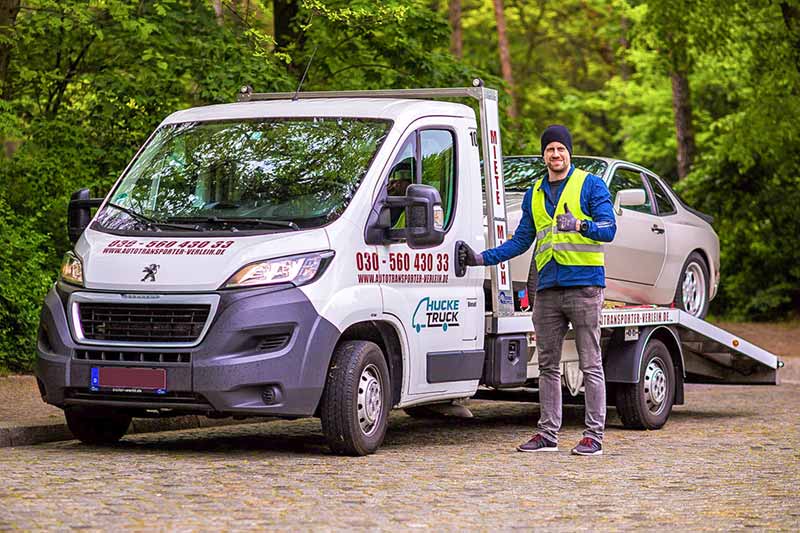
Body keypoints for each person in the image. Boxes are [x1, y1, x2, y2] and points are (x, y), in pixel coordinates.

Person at [460, 125, 616, 456]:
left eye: (560, 149)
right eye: (550, 150)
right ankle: (547, 434)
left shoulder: (590, 184)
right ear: (543, 155)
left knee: (590, 363)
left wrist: (580, 225)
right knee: (547, 366)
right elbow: (520, 242)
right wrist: (479, 259)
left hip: (584, 287)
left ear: (569, 153)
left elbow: (609, 229)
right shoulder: (535, 192)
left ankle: (594, 437)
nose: (555, 155)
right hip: (546, 290)